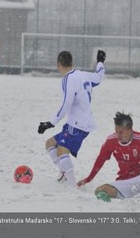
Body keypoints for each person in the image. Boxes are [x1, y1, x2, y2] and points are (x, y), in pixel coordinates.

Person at [38, 49, 106, 187]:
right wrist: (100, 62)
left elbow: (66, 104)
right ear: (71, 62)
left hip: (77, 124)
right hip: (83, 122)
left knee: (62, 151)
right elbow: (98, 78)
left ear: (58, 65)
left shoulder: (68, 79)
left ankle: (72, 185)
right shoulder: (82, 74)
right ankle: (64, 172)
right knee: (50, 144)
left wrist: (50, 123)